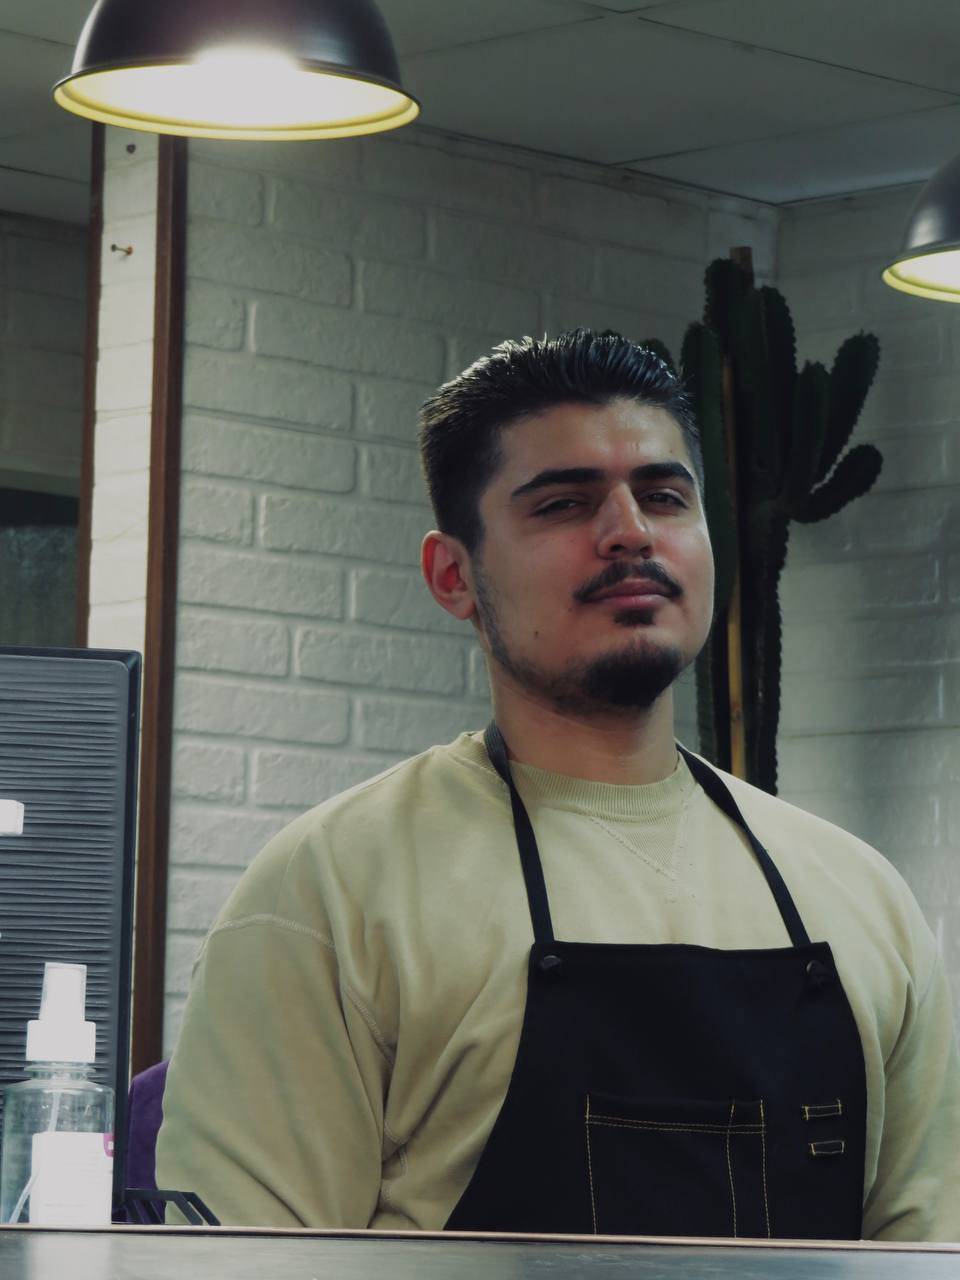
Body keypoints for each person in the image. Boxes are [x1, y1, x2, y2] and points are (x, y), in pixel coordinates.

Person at [156, 328, 960, 1240]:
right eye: (565, 504)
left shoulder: (860, 899)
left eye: (664, 496)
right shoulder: (332, 892)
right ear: (453, 575)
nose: (630, 532)